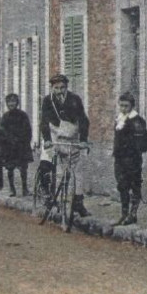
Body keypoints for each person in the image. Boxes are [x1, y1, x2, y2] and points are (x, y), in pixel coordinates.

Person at [40, 73, 90, 218]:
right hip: (54, 133)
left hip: (71, 134)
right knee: (52, 163)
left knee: (77, 169)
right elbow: (43, 121)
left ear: (67, 87)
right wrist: (47, 139)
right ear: (52, 88)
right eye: (56, 88)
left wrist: (83, 140)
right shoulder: (47, 101)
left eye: (62, 88)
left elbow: (83, 120)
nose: (60, 91)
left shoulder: (75, 99)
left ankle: (78, 202)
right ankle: (50, 195)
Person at [112, 91, 147, 226]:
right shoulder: (119, 119)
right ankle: (124, 214)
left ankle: (133, 214)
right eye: (121, 105)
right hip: (119, 159)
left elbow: (144, 142)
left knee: (134, 185)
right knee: (122, 186)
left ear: (132, 106)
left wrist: (134, 153)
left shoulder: (137, 121)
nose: (123, 108)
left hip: (132, 160)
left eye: (126, 106)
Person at [0, 93, 34, 197]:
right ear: (7, 104)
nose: (11, 104)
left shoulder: (23, 115)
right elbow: (1, 132)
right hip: (9, 148)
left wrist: (24, 142)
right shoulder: (5, 117)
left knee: (23, 169)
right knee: (10, 169)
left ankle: (25, 189)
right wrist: (6, 142)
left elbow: (28, 131)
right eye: (9, 102)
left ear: (17, 103)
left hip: (21, 146)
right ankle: (12, 189)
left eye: (13, 101)